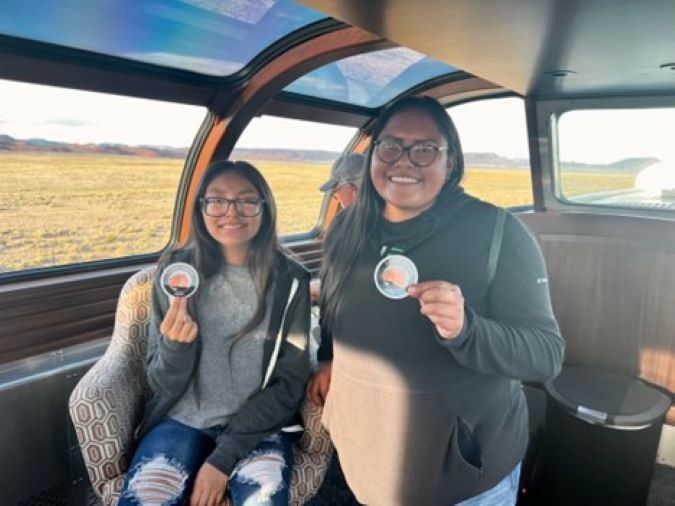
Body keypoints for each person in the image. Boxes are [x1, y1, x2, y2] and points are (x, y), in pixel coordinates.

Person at [308, 96, 564, 505]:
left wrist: (467, 329)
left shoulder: (500, 234)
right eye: (390, 146)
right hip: (366, 460)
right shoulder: (346, 230)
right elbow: (337, 308)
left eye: (425, 149)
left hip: (462, 478)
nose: (404, 161)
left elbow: (545, 355)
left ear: (452, 162)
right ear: (372, 156)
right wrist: (327, 357)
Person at [120, 160, 311, 506]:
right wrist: (176, 346)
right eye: (217, 200)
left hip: (259, 428)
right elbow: (159, 381)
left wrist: (222, 460)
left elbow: (289, 384)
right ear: (201, 208)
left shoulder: (291, 280)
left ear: (264, 208)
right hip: (181, 420)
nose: (231, 212)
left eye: (246, 200)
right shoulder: (176, 272)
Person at [310, 153, 367, 303]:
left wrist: (309, 290)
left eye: (336, 191)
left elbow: (342, 287)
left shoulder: (341, 226)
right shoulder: (395, 222)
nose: (336, 197)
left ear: (352, 190)